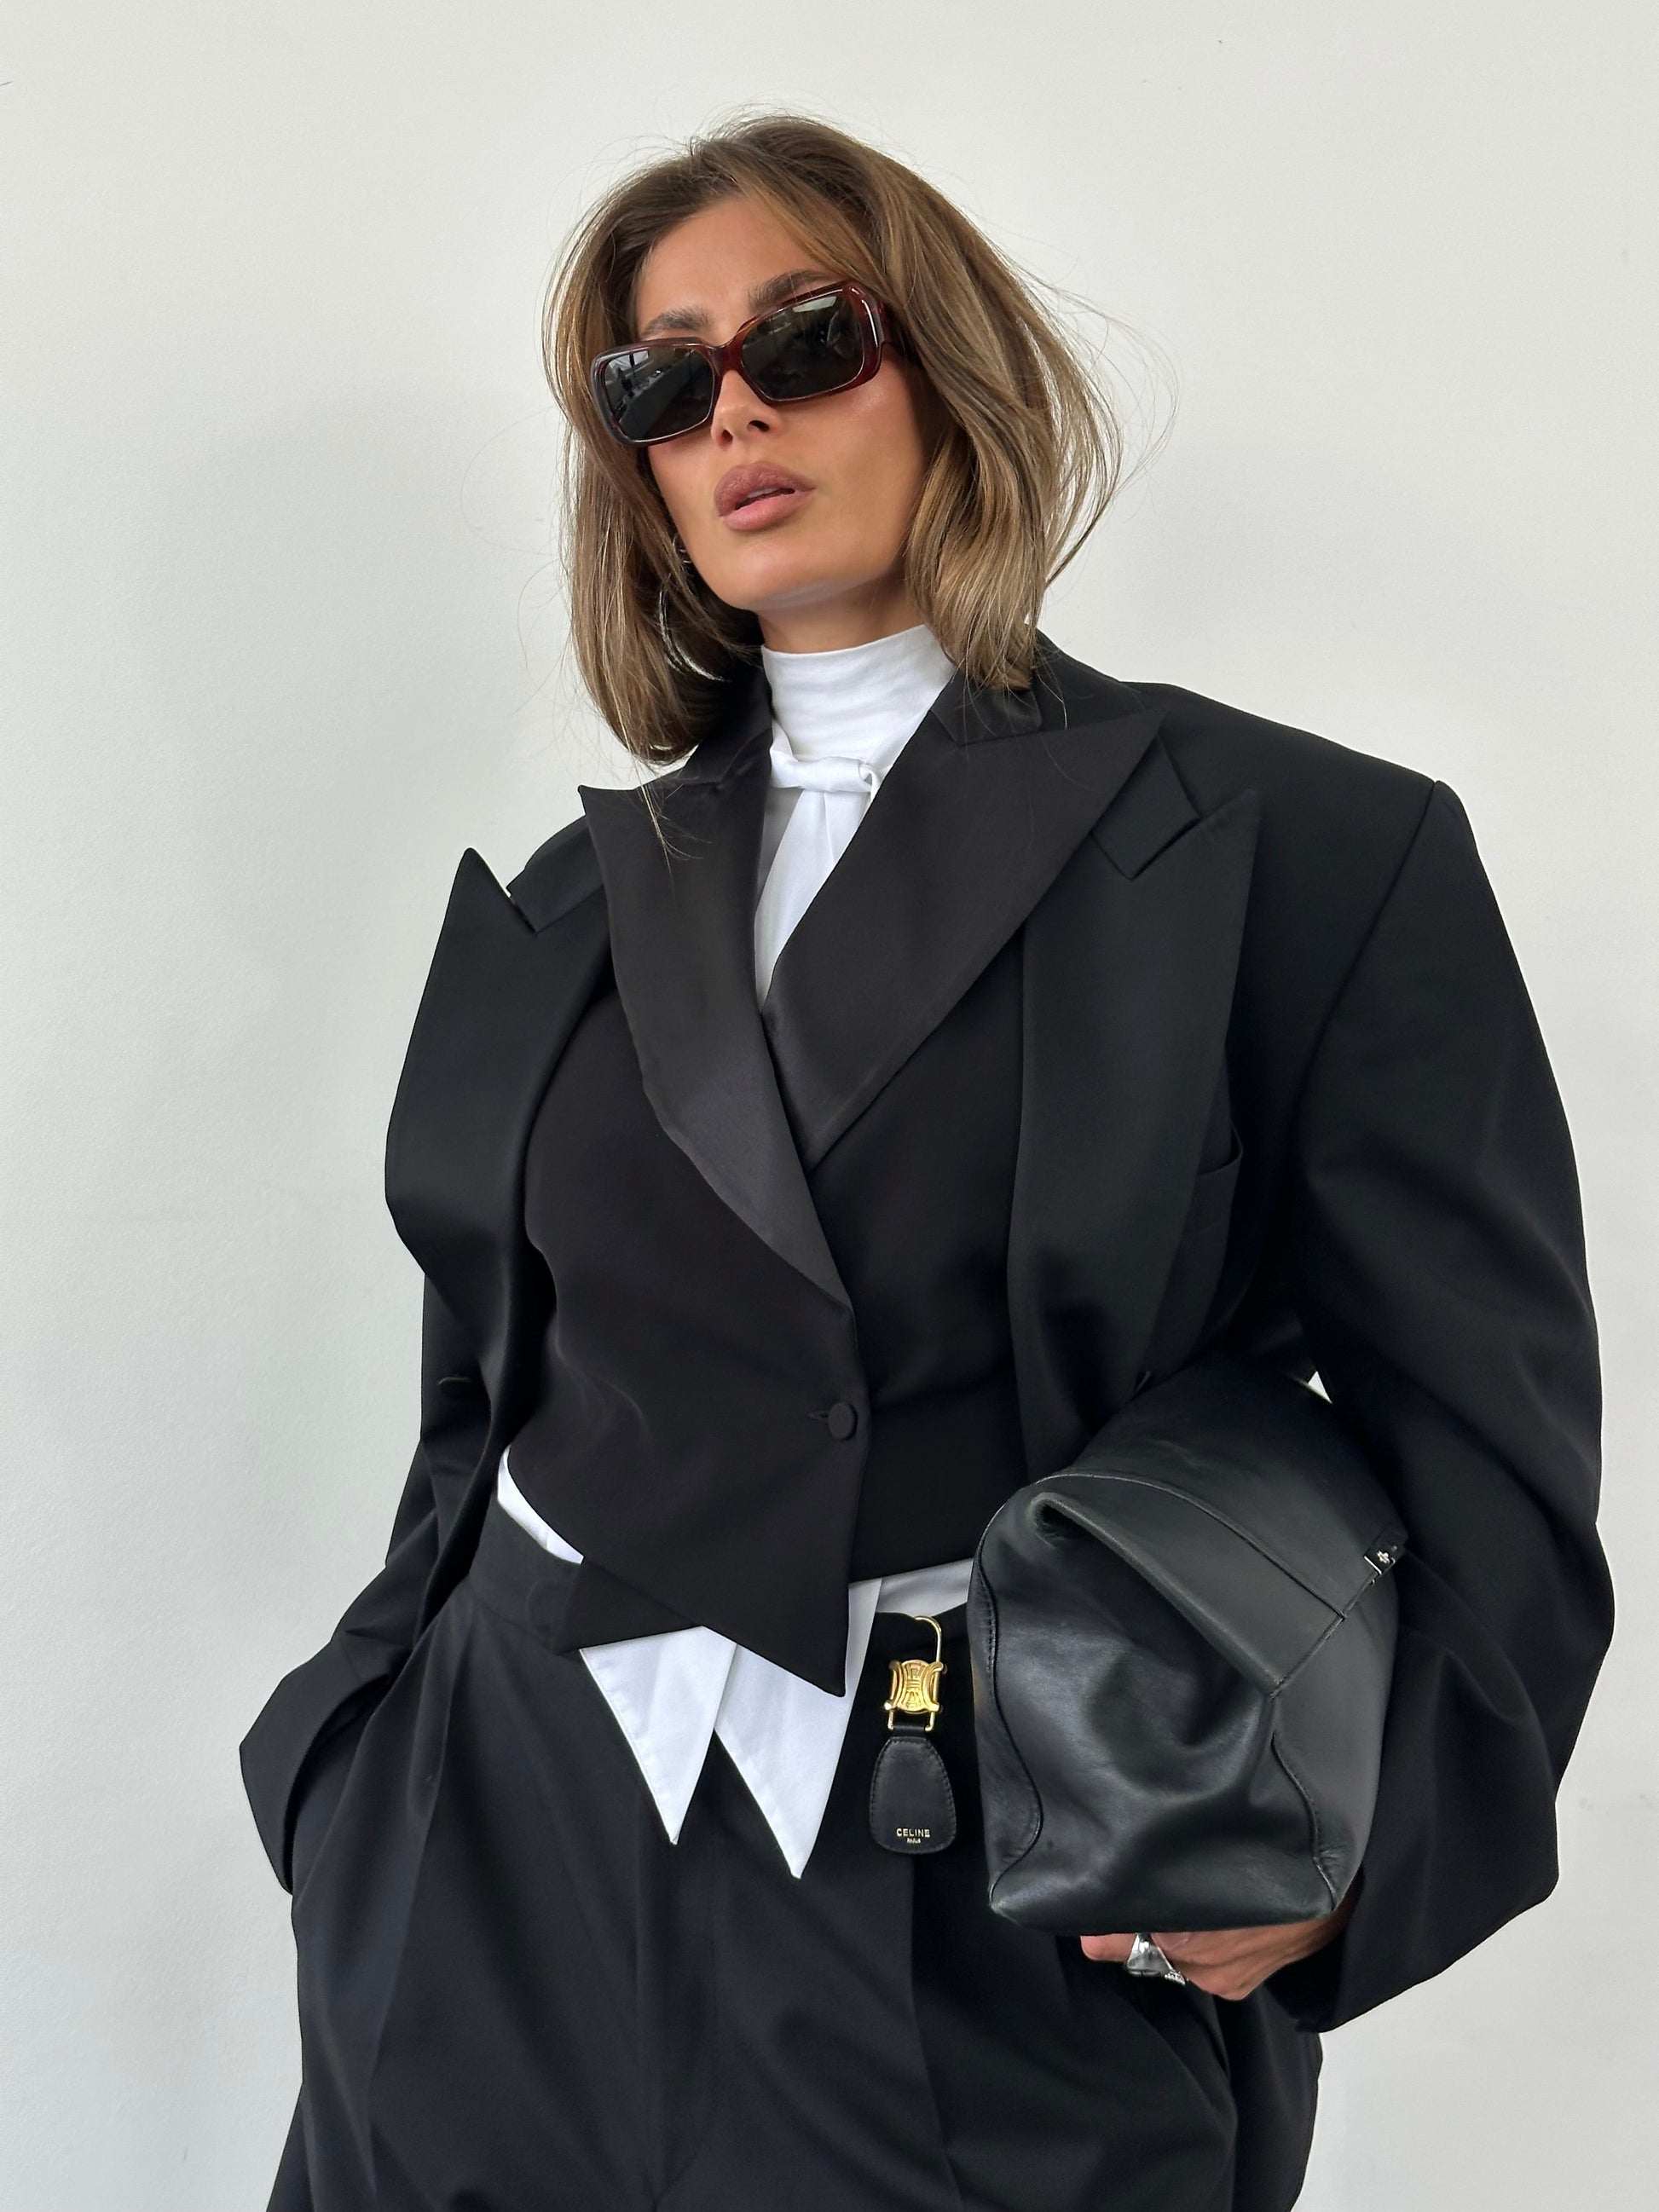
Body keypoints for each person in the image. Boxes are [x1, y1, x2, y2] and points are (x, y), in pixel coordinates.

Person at [240, 112, 1614, 2212]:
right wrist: (352, 1756)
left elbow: (1489, 1448)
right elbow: (482, 1388)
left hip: (983, 1895)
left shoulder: (1304, 852)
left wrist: (1354, 1852)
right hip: (487, 1872)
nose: (733, 413)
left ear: (947, 366)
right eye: (660, 380)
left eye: (804, 339)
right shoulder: (568, 898)